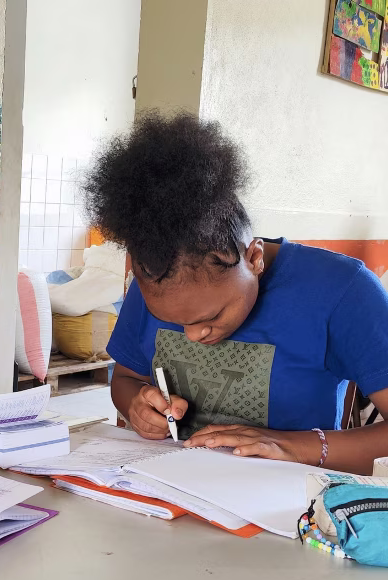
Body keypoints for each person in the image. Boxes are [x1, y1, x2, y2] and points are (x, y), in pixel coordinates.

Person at [85, 112, 388, 475]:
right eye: (172, 322)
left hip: (284, 511)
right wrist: (136, 404)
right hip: (167, 492)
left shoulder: (342, 290)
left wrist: (292, 445)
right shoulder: (157, 279)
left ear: (254, 258)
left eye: (211, 317)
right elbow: (126, 379)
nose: (194, 336)